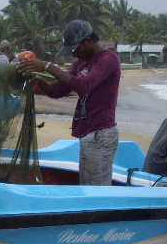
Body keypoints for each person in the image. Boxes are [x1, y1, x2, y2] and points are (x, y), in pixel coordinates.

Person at [18, 20, 120, 185]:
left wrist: (48, 66)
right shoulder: (80, 63)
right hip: (86, 133)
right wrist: (39, 81)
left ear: (87, 41)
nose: (74, 55)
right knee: (87, 184)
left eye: (75, 50)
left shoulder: (108, 60)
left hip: (101, 133)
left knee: (97, 187)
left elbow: (84, 86)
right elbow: (58, 90)